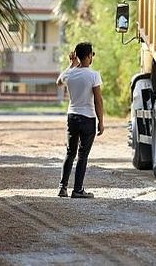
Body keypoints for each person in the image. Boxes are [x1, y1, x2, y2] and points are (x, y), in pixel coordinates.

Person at [56, 42, 104, 198]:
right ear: (89, 56)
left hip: (72, 116)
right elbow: (98, 100)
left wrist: (71, 65)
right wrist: (101, 121)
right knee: (82, 155)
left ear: (77, 56)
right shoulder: (93, 75)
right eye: (92, 55)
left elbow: (58, 82)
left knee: (70, 152)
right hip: (88, 118)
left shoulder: (69, 74)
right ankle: (77, 190)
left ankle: (62, 188)